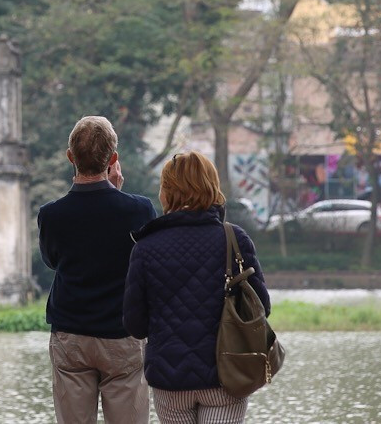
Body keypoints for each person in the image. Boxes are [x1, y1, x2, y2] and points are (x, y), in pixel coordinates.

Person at [123, 151, 271, 424]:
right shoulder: (234, 239)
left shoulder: (145, 247)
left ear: (166, 191)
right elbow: (262, 307)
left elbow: (135, 324)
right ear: (211, 186)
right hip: (226, 374)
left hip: (170, 380)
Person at [38, 116, 157, 423]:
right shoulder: (138, 209)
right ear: (113, 159)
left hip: (71, 334)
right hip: (122, 333)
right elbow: (144, 262)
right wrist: (116, 193)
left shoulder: (51, 215)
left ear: (70, 157)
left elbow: (52, 261)